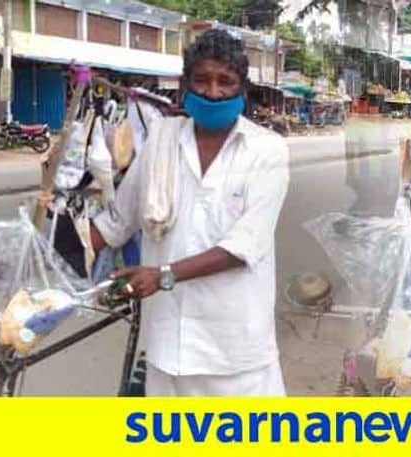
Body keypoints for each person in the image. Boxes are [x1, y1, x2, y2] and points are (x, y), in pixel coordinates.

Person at [90, 30, 290, 396]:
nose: (213, 92)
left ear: (242, 88)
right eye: (202, 80)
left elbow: (246, 244)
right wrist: (29, 254)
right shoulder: (161, 142)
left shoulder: (267, 151)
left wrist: (163, 275)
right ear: (185, 86)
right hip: (167, 350)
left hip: (236, 357)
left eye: (225, 82)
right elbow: (114, 224)